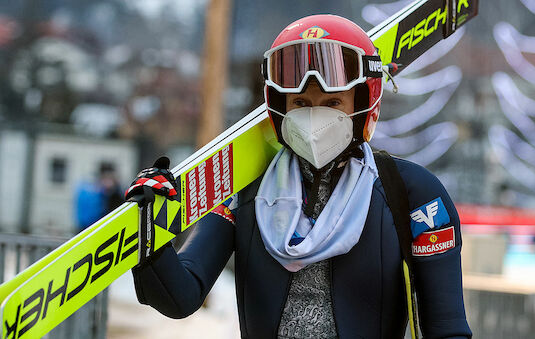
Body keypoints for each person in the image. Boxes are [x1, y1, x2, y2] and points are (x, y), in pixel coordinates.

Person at [127, 15, 472, 338]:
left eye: (333, 103)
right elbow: (181, 296)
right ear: (280, 108)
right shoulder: (247, 193)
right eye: (301, 103)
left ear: (363, 103)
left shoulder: (413, 193)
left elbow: (447, 327)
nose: (313, 118)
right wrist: (149, 233)